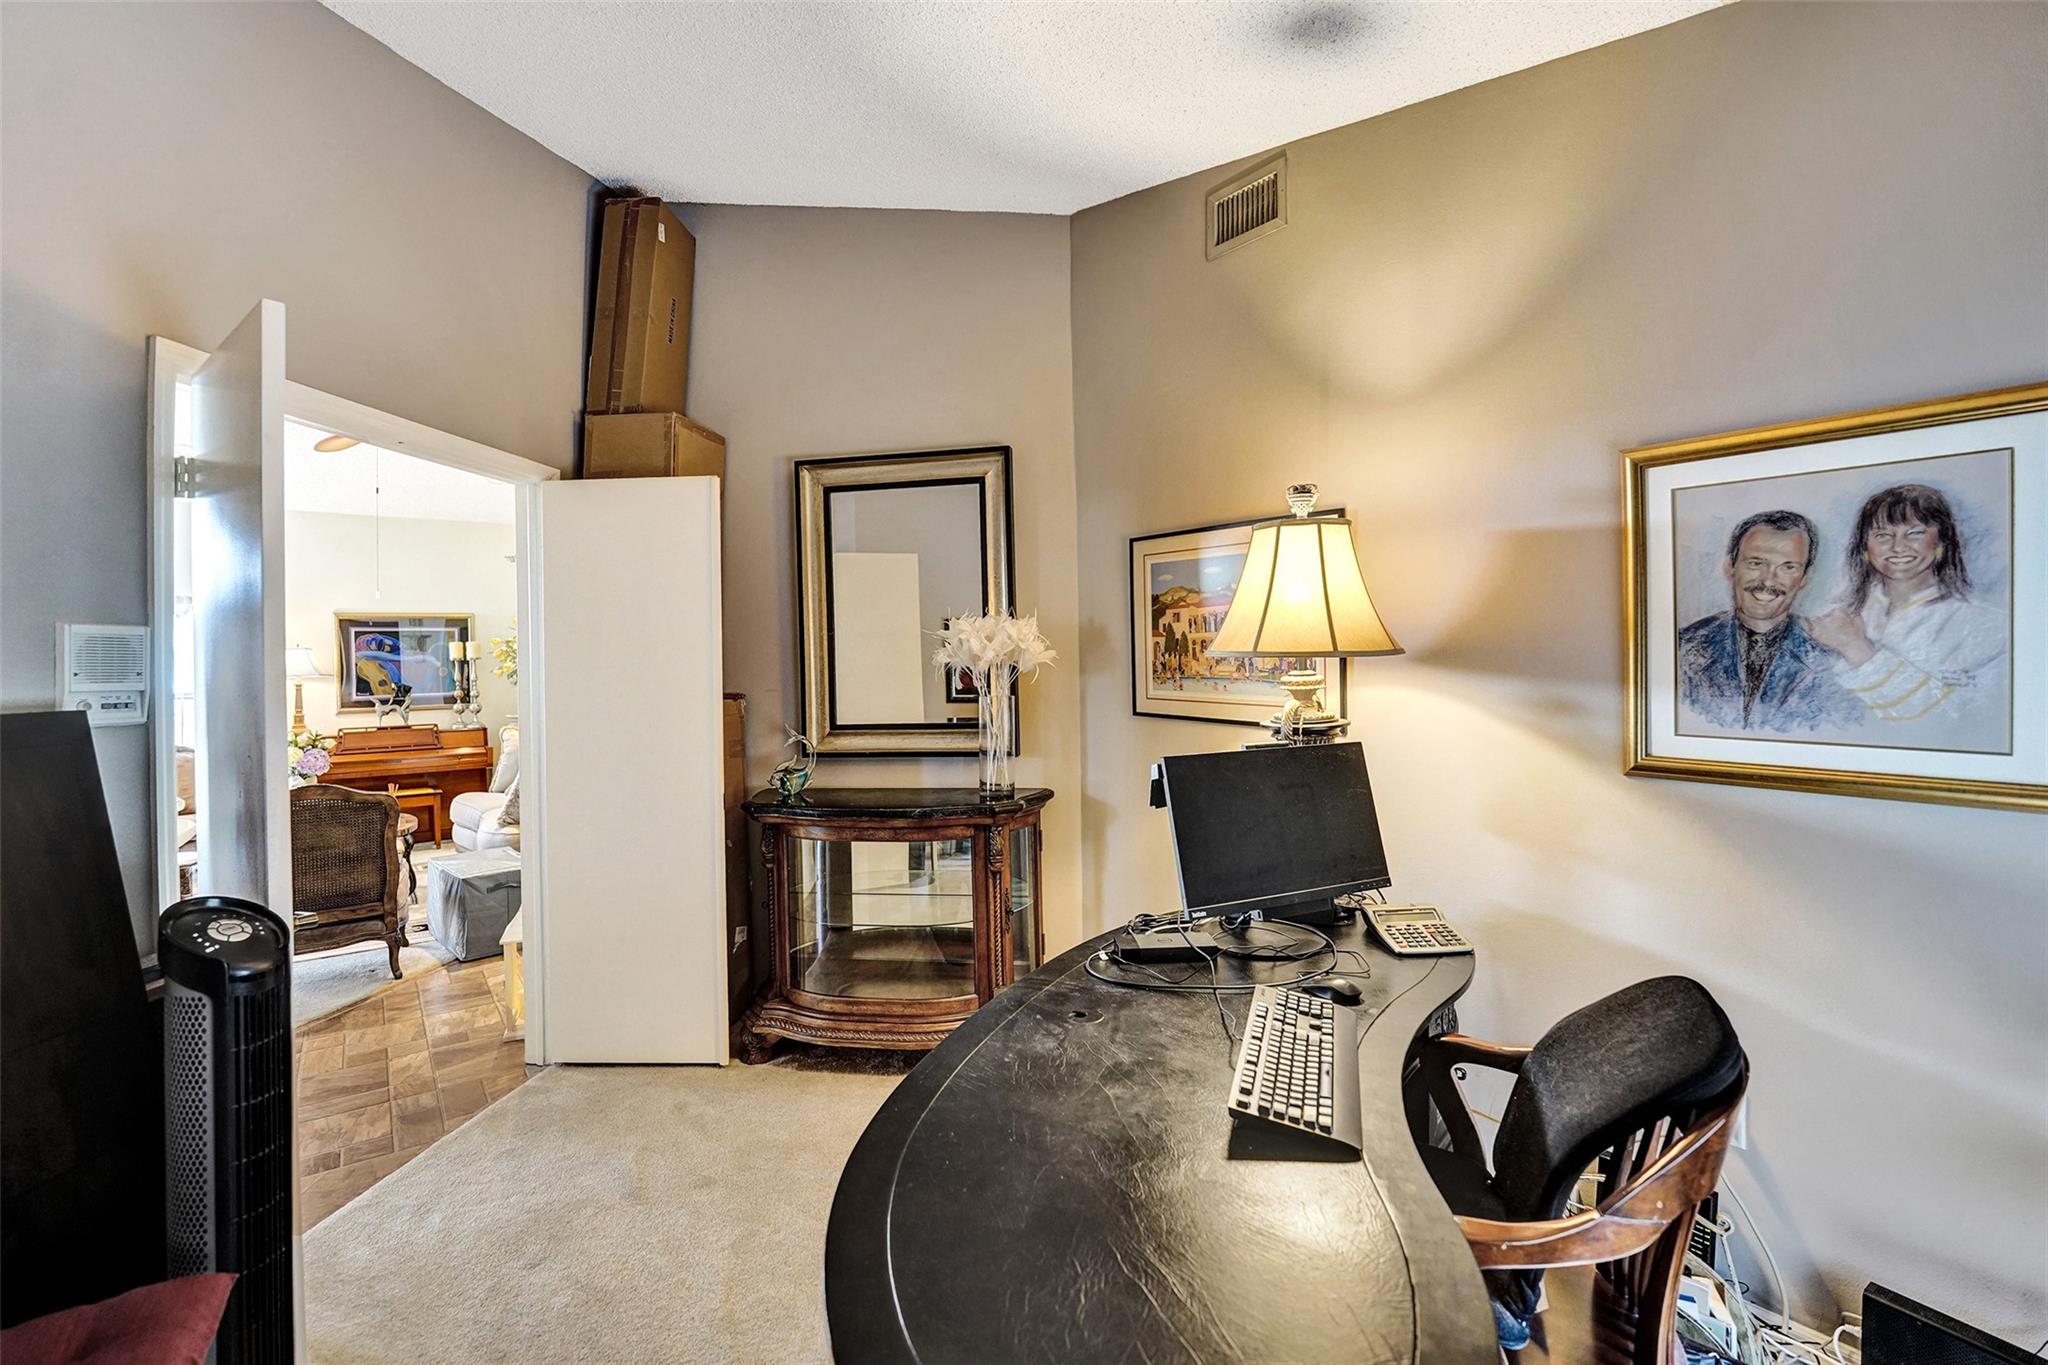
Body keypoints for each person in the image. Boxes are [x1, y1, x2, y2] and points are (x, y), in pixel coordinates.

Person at [1804, 483, 2006, 728]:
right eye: (1883, 535)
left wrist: (1857, 648)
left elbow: (1959, 720)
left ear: (1941, 543)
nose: (1898, 547)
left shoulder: (1989, 628)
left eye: (1915, 533)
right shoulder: (1831, 618)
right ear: (1865, 548)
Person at [1677, 510, 1858, 732]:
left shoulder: (1832, 660)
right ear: (1730, 566)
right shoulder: (1683, 646)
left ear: (1804, 578)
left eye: (1788, 567)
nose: (1769, 580)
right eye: (1756, 563)